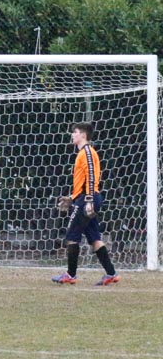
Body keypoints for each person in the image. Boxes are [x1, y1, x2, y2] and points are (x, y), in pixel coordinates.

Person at [51, 122, 120, 286]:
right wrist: (72, 197)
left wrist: (88, 200)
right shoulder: (83, 153)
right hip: (86, 197)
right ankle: (111, 274)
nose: (72, 135)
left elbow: (91, 176)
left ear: (83, 135)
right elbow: (83, 181)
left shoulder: (87, 152)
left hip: (87, 199)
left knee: (71, 236)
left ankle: (71, 275)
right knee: (94, 238)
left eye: (74, 132)